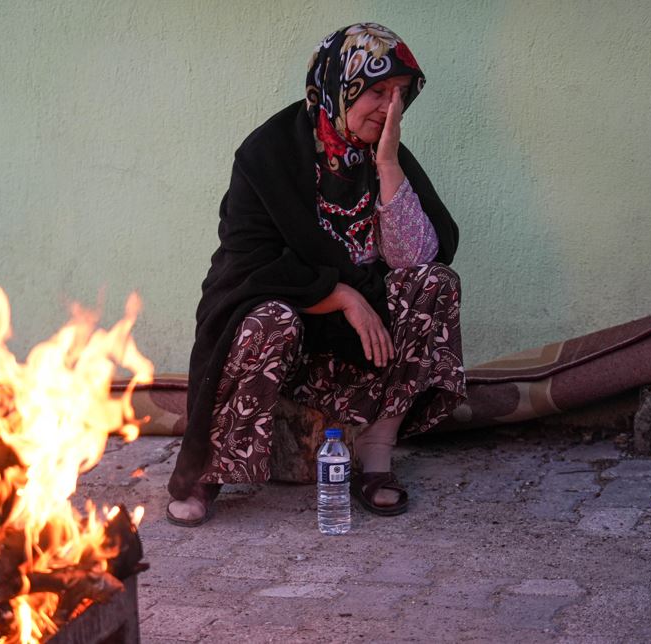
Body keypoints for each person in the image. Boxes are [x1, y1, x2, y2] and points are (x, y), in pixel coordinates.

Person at [167, 23, 466, 526]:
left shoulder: (385, 153)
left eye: (400, 95)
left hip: (359, 348)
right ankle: (208, 473)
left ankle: (375, 460)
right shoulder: (268, 155)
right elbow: (250, 262)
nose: (390, 108)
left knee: (435, 286)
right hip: (289, 332)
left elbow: (418, 261)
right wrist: (340, 294)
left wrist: (388, 164)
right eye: (376, 91)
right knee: (268, 318)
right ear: (338, 84)